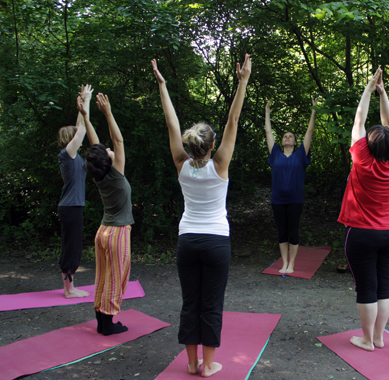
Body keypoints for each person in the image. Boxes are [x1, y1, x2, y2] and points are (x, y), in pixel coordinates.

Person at [152, 54, 251, 377]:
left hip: (188, 240)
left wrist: (162, 84)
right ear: (210, 147)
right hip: (216, 242)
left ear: (192, 146)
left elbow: (171, 123)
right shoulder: (219, 164)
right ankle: (208, 366)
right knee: (210, 303)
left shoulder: (182, 165)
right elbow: (232, 122)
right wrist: (243, 82)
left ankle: (192, 363)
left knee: (190, 302)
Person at [338, 68, 389, 351]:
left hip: (363, 235)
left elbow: (359, 120)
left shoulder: (363, 160)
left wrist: (368, 89)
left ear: (370, 144)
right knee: (383, 286)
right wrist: (383, 92)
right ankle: (378, 337)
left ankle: (367, 339)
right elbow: (388, 123)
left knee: (366, 287)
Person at [80, 92, 134, 336]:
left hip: (102, 232)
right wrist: (108, 113)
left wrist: (86, 116)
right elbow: (118, 141)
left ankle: (101, 322)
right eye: (108, 151)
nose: (111, 149)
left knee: (102, 276)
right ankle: (109, 325)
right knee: (116, 277)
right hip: (118, 233)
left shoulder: (99, 173)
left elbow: (96, 146)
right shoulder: (115, 172)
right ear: (109, 160)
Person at [265, 98, 317, 274]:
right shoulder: (276, 155)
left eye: (291, 136)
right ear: (282, 141)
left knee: (293, 232)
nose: (287, 138)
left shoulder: (301, 155)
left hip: (295, 200)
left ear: (295, 142)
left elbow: (309, 132)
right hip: (278, 200)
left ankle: (292, 264)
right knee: (282, 232)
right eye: (285, 136)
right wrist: (267, 114)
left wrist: (314, 110)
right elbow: (268, 132)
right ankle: (284, 263)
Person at [57, 84, 93, 298]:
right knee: (71, 248)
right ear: (70, 140)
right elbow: (83, 130)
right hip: (70, 208)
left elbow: (81, 125)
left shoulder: (73, 155)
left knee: (74, 246)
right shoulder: (66, 154)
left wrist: (81, 105)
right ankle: (69, 290)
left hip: (73, 207)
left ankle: (69, 287)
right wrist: (87, 100)